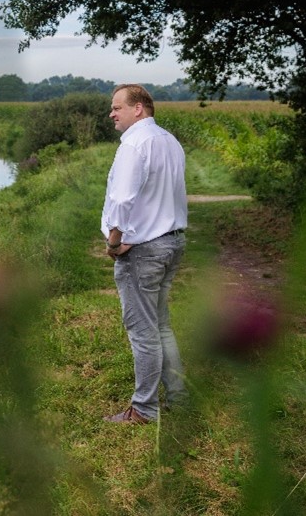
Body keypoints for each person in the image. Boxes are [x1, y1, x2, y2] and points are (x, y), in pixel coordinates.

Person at [100, 84, 188, 424]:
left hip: (144, 249)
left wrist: (113, 242)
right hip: (172, 242)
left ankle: (144, 409)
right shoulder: (169, 141)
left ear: (139, 108)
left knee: (143, 331)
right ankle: (179, 398)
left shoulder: (135, 143)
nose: (112, 113)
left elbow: (122, 199)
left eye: (117, 107)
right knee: (161, 325)